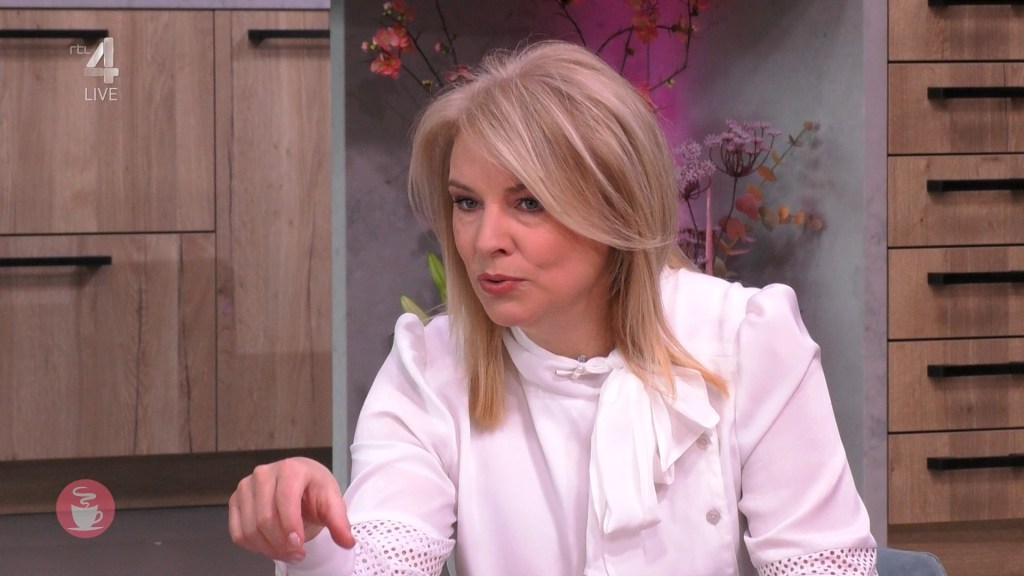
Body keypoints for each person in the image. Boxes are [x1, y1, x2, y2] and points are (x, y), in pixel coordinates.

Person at [229, 40, 877, 576]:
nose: (485, 240)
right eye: (466, 202)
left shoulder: (748, 340)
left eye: (528, 202)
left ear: (616, 208)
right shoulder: (431, 366)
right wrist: (312, 533)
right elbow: (381, 560)